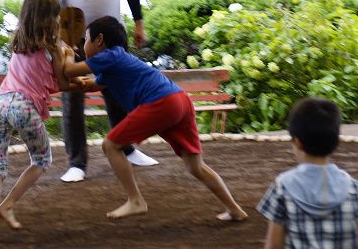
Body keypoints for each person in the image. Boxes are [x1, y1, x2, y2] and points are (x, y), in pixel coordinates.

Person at [63, 16, 248, 220]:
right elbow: (89, 85)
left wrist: (66, 53)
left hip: (162, 102)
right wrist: (69, 82)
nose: (83, 45)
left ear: (99, 40)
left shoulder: (110, 54)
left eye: (86, 39)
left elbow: (69, 70)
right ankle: (234, 209)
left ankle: (135, 201)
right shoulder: (115, 61)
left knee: (111, 145)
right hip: (180, 101)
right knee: (196, 166)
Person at [43, 0, 157, 183]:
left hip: (111, 31)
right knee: (72, 97)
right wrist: (52, 36)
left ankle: (127, 148)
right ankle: (77, 163)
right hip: (72, 33)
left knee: (118, 90)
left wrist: (139, 23)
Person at [0, 0, 85, 243]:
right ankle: (7, 205)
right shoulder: (54, 49)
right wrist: (71, 60)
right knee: (41, 159)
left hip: (1, 104)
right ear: (52, 18)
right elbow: (63, 84)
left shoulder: (18, 43)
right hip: (24, 107)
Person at [257, 97, 358, 249]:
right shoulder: (354, 188)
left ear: (297, 142)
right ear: (336, 141)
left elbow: (274, 246)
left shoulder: (282, 186)